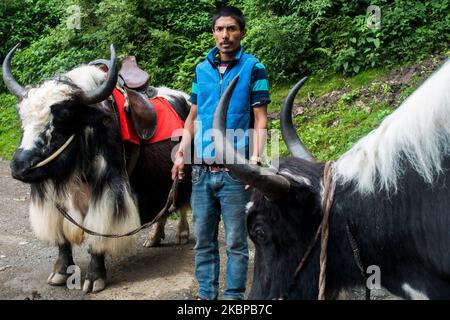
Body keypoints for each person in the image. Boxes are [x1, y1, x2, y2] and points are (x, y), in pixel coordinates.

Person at [171, 6, 270, 300]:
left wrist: (254, 158)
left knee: (237, 242)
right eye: (219, 29)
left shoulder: (254, 68)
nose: (225, 35)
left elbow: (261, 118)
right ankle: (206, 294)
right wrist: (180, 154)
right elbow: (192, 117)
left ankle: (234, 298)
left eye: (231, 29)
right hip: (201, 170)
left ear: (242, 32)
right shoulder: (201, 69)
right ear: (213, 33)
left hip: (235, 172)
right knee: (203, 240)